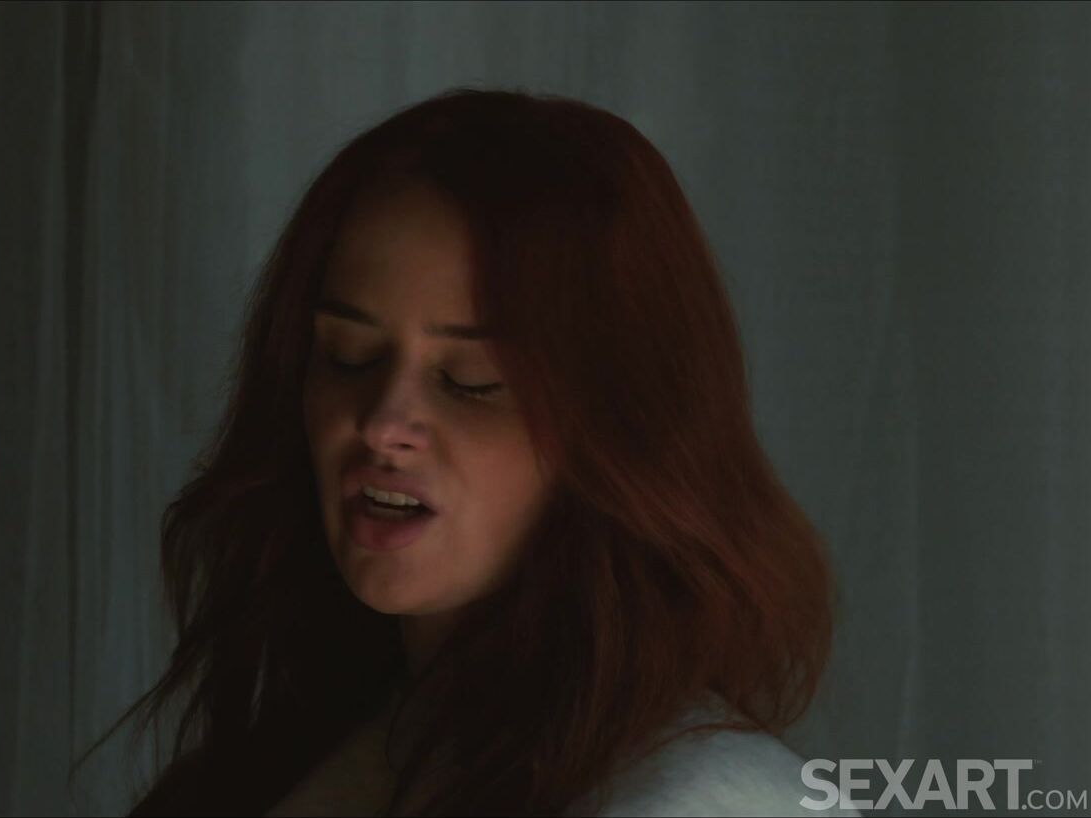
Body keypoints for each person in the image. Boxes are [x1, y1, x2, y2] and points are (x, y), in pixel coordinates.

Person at [87, 88, 850, 816]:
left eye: (472, 381)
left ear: (621, 425)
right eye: (349, 356)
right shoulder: (306, 757)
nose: (383, 424)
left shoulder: (705, 801)